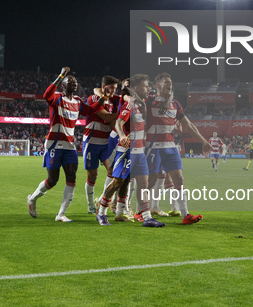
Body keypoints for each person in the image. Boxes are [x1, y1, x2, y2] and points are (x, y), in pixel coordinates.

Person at [27, 66, 115, 222]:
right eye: (70, 81)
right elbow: (46, 94)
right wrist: (61, 75)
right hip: (54, 144)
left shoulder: (77, 101)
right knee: (52, 180)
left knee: (72, 177)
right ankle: (32, 199)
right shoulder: (57, 98)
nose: (74, 83)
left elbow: (90, 111)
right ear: (63, 84)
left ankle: (61, 214)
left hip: (69, 146)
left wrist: (103, 97)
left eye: (75, 82)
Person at [96, 74, 165, 227]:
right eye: (146, 86)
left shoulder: (142, 103)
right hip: (127, 151)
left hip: (140, 152)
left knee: (143, 183)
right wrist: (121, 135)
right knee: (118, 182)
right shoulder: (131, 104)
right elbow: (119, 122)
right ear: (137, 88)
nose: (148, 89)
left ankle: (147, 217)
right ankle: (101, 213)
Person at [145, 72, 211, 225]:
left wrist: (203, 141)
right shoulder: (149, 102)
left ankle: (185, 214)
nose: (170, 85)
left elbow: (188, 125)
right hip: (154, 147)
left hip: (171, 147)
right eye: (166, 82)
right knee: (151, 180)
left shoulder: (175, 104)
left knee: (179, 179)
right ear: (158, 85)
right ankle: (141, 211)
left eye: (171, 82)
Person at [83, 75, 121, 215]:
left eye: (116, 89)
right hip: (92, 141)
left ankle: (103, 199)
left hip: (106, 143)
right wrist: (122, 115)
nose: (114, 91)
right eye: (112, 88)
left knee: (111, 171)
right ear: (104, 87)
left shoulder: (114, 100)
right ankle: (90, 204)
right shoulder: (94, 99)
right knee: (93, 176)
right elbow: (106, 117)